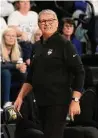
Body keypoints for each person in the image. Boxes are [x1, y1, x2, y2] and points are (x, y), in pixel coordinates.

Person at [14, 9, 85, 138]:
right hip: (40, 102)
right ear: (38, 24)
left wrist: (75, 100)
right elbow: (31, 77)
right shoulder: (36, 46)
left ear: (57, 23)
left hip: (58, 101)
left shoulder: (65, 44)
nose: (46, 24)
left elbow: (79, 72)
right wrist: (20, 97)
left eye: (50, 20)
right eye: (42, 21)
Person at [1, 27, 27, 106]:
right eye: (8, 35)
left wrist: (22, 68)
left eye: (13, 36)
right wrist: (16, 66)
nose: (11, 38)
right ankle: (6, 104)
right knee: (6, 73)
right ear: (3, 37)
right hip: (2, 73)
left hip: (13, 73)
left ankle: (23, 102)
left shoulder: (18, 49)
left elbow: (20, 63)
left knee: (25, 74)